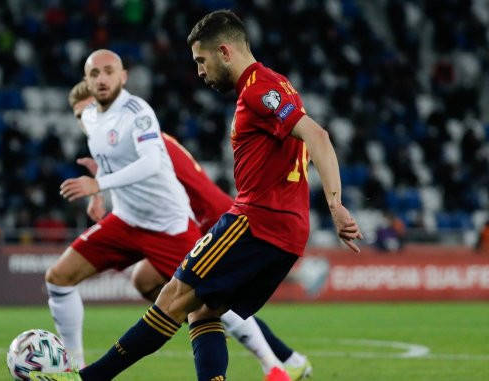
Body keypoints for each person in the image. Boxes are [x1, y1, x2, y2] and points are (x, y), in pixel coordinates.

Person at [79, 10, 362, 381]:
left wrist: (336, 204)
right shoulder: (277, 85)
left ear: (225, 52)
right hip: (288, 232)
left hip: (255, 220)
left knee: (173, 297)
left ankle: (88, 378)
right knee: (205, 311)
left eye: (201, 60)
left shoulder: (259, 90)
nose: (199, 71)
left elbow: (319, 137)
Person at [66, 80, 312, 380]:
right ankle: (286, 358)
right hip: (202, 217)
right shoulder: (123, 139)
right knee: (155, 284)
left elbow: (146, 178)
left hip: (208, 218)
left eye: (90, 111)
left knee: (199, 302)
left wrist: (101, 187)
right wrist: (99, 191)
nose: (87, 121)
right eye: (79, 117)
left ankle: (276, 365)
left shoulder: (137, 134)